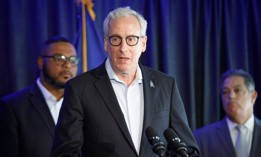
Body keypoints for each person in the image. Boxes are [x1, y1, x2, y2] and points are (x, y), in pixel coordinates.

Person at [51, 7, 200, 157]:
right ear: (105, 43)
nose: (123, 48)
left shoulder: (166, 85)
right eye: (116, 39)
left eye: (131, 39)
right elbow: (64, 153)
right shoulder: (80, 88)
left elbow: (189, 149)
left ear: (143, 43)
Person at [0, 36, 79, 157]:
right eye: (59, 58)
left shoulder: (82, 104)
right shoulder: (13, 107)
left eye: (72, 59)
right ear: (41, 62)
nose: (68, 65)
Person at [193, 69, 261, 157]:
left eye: (237, 90)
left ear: (253, 96)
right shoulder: (201, 138)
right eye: (225, 92)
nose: (231, 96)